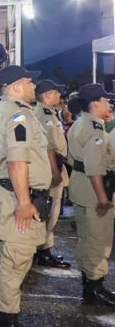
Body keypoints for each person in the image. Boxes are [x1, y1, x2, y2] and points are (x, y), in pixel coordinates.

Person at [0, 65, 50, 325]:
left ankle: (3, 311)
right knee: (16, 262)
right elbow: (17, 161)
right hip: (17, 198)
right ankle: (7, 318)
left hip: (6, 194)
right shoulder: (18, 115)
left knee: (7, 260)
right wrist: (24, 202)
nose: (34, 86)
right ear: (16, 87)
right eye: (29, 82)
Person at [67, 83, 115, 307]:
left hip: (79, 185)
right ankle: (95, 287)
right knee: (99, 239)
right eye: (105, 100)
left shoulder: (80, 122)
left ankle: (89, 284)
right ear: (95, 103)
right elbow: (95, 167)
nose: (109, 103)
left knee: (86, 237)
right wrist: (103, 198)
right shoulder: (94, 127)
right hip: (93, 188)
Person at [32, 80, 72, 269]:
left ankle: (45, 248)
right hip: (51, 167)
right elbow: (47, 146)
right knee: (49, 210)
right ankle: (41, 250)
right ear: (47, 95)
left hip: (55, 165)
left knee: (52, 211)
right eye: (56, 93)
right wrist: (55, 172)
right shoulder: (44, 115)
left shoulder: (49, 113)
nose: (60, 96)